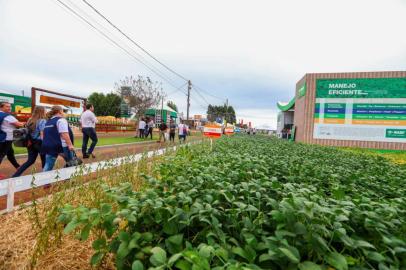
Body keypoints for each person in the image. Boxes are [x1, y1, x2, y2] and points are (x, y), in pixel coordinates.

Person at [12, 106, 47, 177]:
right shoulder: (42, 120)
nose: (46, 111)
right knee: (44, 160)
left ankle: (16, 175)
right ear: (42, 111)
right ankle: (45, 178)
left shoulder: (30, 120)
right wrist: (45, 144)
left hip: (30, 142)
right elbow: (42, 134)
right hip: (39, 143)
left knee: (30, 161)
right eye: (45, 110)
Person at [41, 105, 75, 171]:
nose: (63, 112)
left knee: (48, 165)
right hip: (61, 146)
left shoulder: (48, 121)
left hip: (48, 145)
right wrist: (70, 145)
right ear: (60, 111)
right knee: (72, 163)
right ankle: (70, 178)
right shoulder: (61, 120)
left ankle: (42, 179)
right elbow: (64, 133)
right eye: (63, 111)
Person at [0, 102, 24, 178]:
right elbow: (19, 124)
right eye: (7, 106)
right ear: (1, 107)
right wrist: (29, 123)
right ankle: (18, 167)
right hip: (6, 138)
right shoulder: (7, 116)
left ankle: (17, 166)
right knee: (1, 155)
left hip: (2, 137)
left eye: (10, 106)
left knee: (10, 153)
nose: (9, 108)